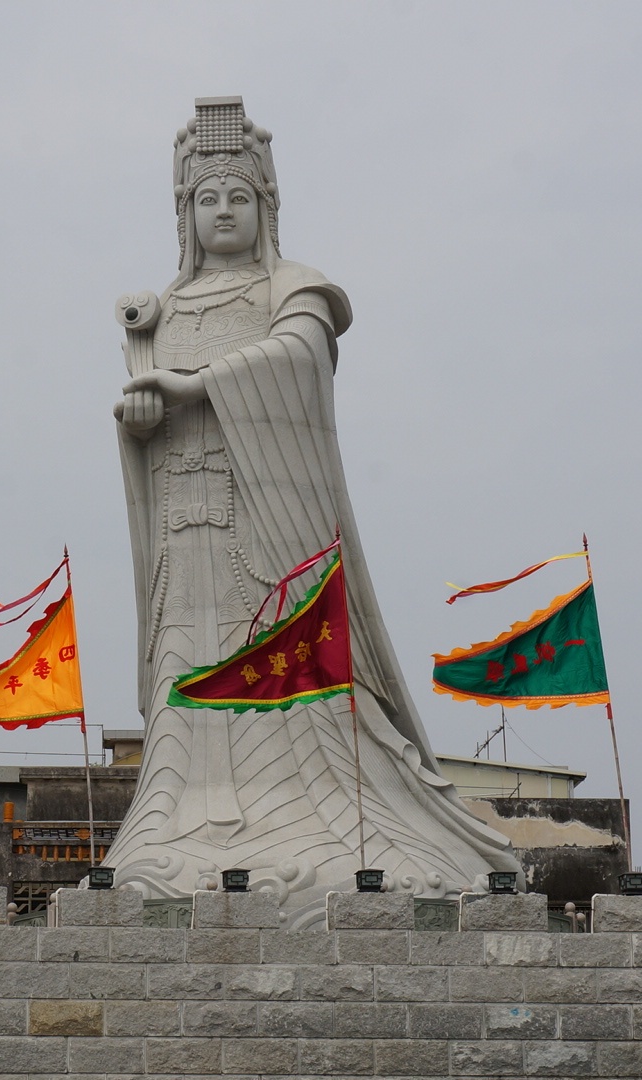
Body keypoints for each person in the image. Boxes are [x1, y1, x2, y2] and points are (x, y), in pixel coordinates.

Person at [107, 97, 516, 921]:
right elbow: (140, 405)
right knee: (187, 669)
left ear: (268, 208)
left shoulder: (294, 288)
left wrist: (198, 386)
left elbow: (298, 356)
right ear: (183, 214)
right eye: (206, 200)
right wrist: (142, 419)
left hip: (271, 532)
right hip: (189, 531)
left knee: (290, 679)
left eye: (239, 198)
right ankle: (177, 823)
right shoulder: (165, 309)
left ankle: (322, 823)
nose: (223, 212)